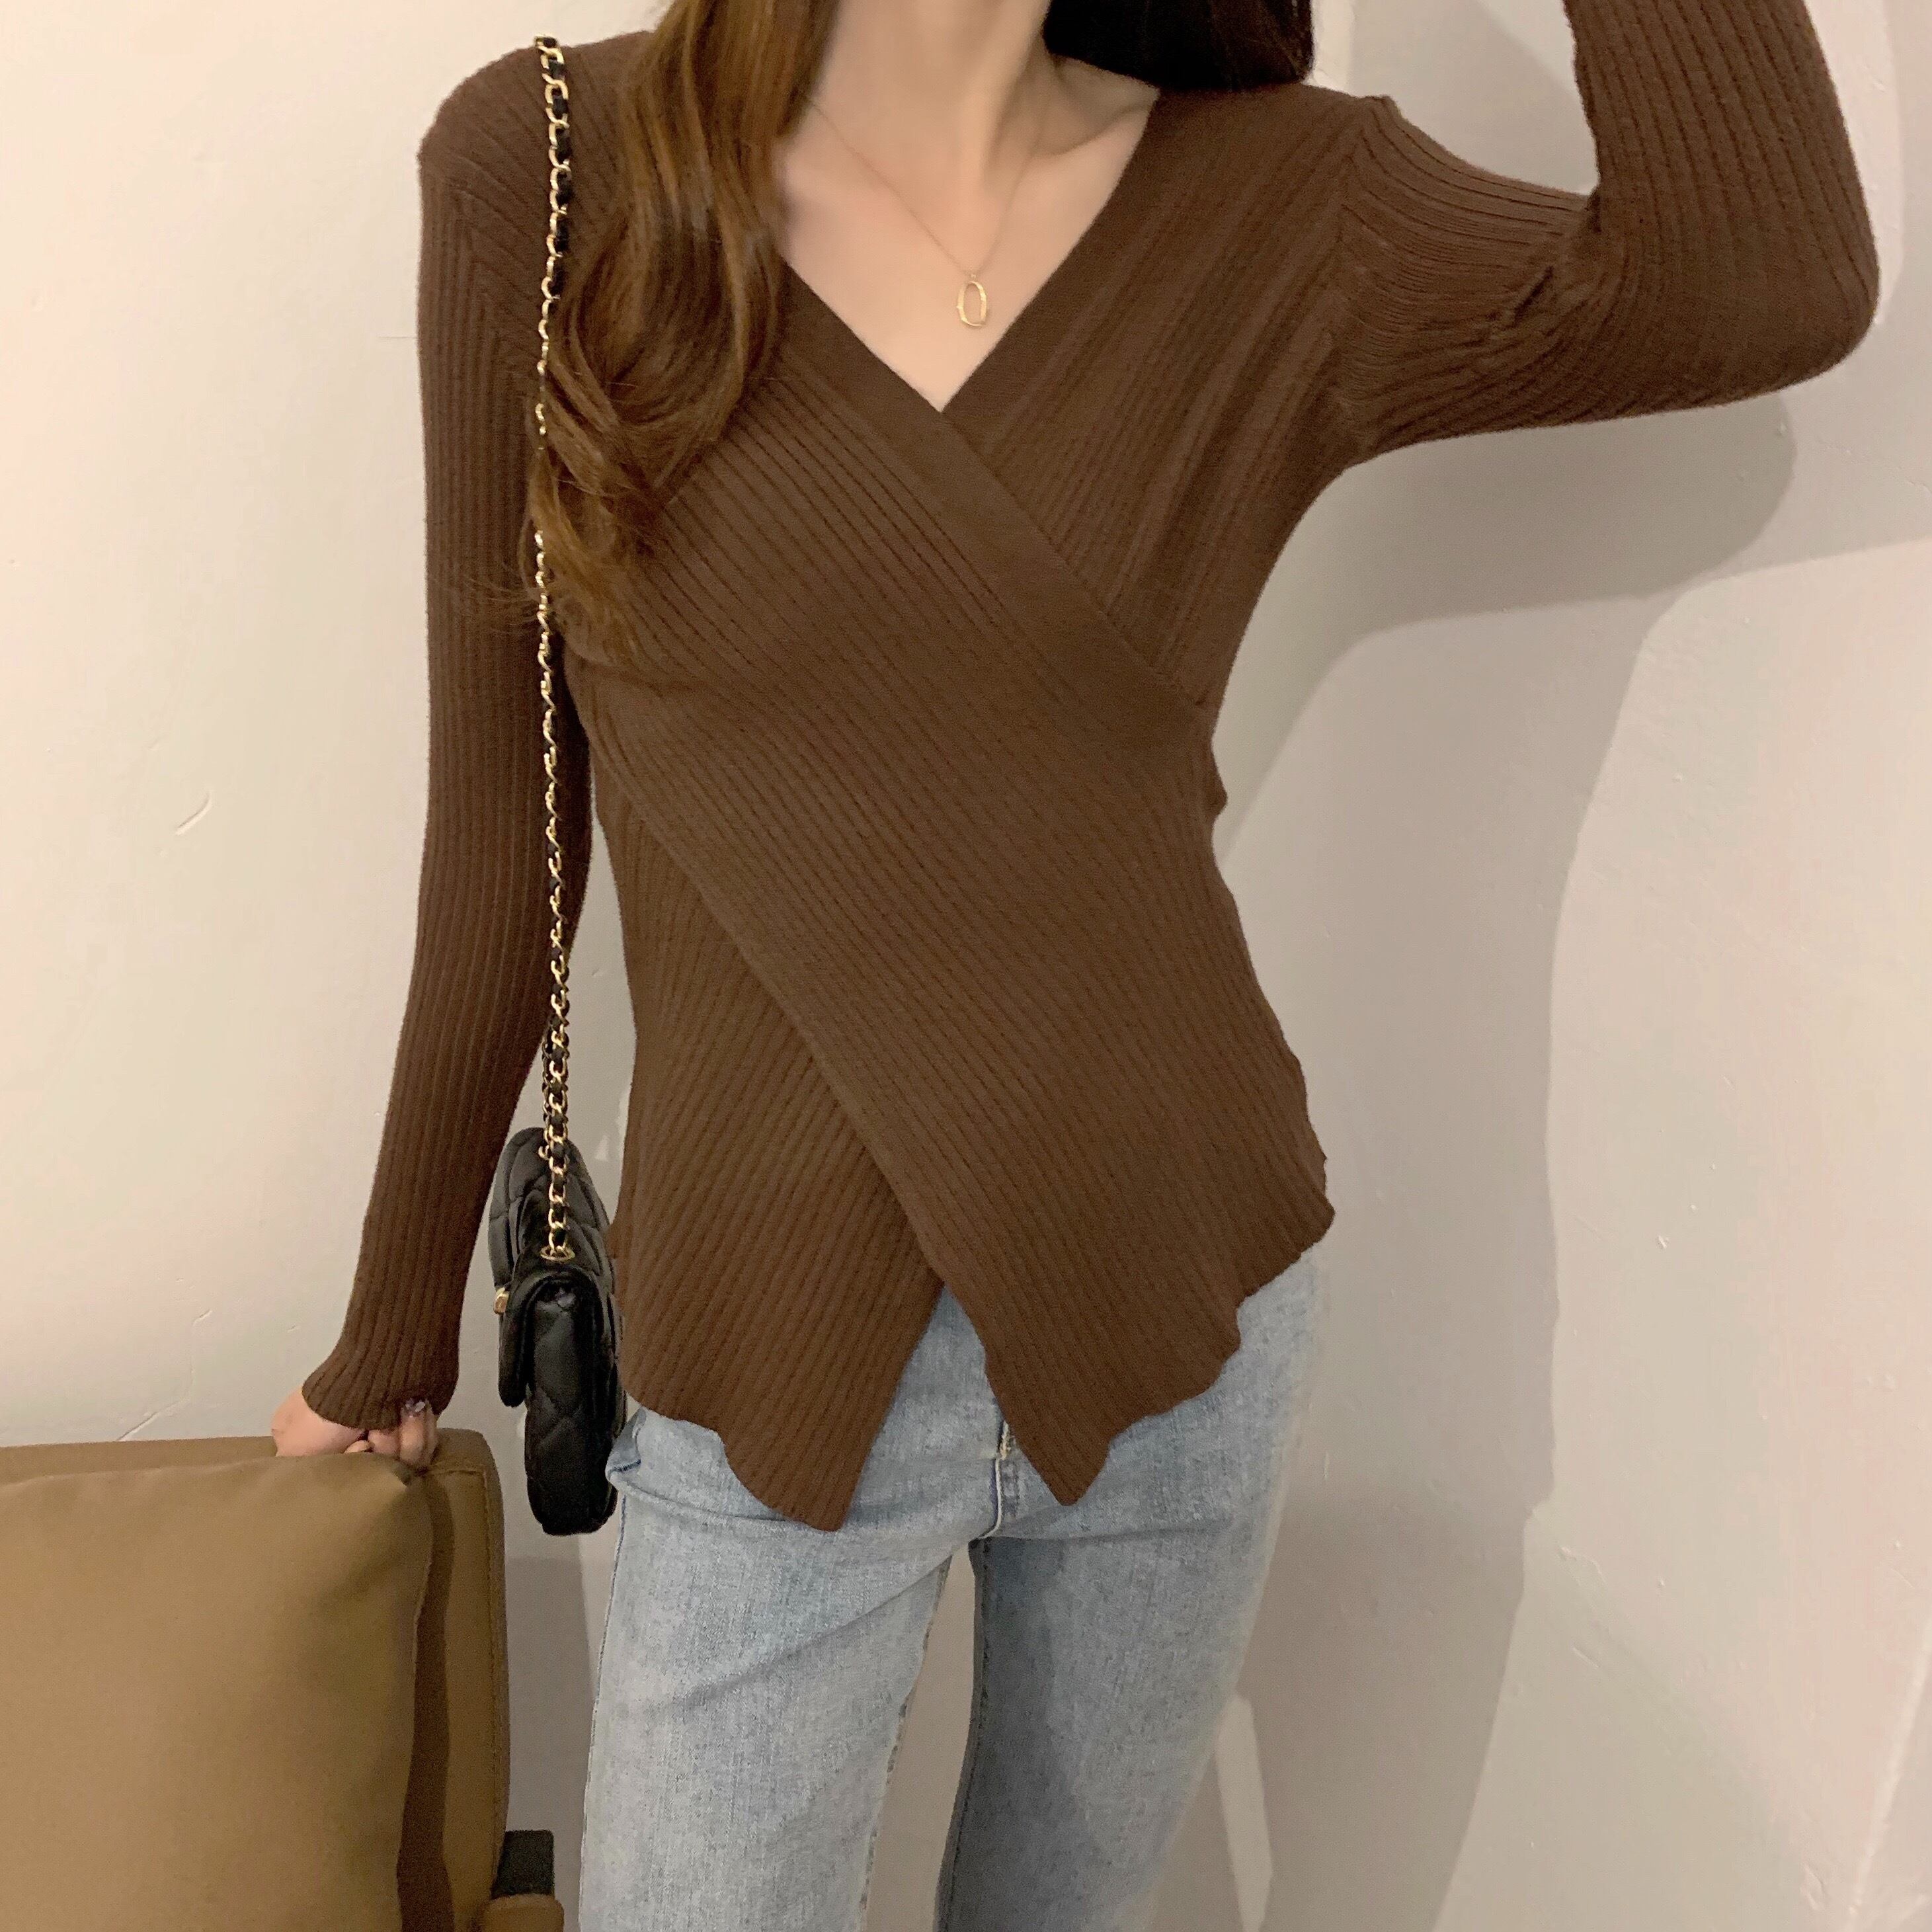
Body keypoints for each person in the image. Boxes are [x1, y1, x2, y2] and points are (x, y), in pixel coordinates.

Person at [274, 0, 1878, 1923]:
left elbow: (1757, 280)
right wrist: (392, 1331)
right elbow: (504, 816)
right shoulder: (552, 169)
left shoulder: (1282, 201)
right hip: (771, 1349)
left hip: (1181, 1309)